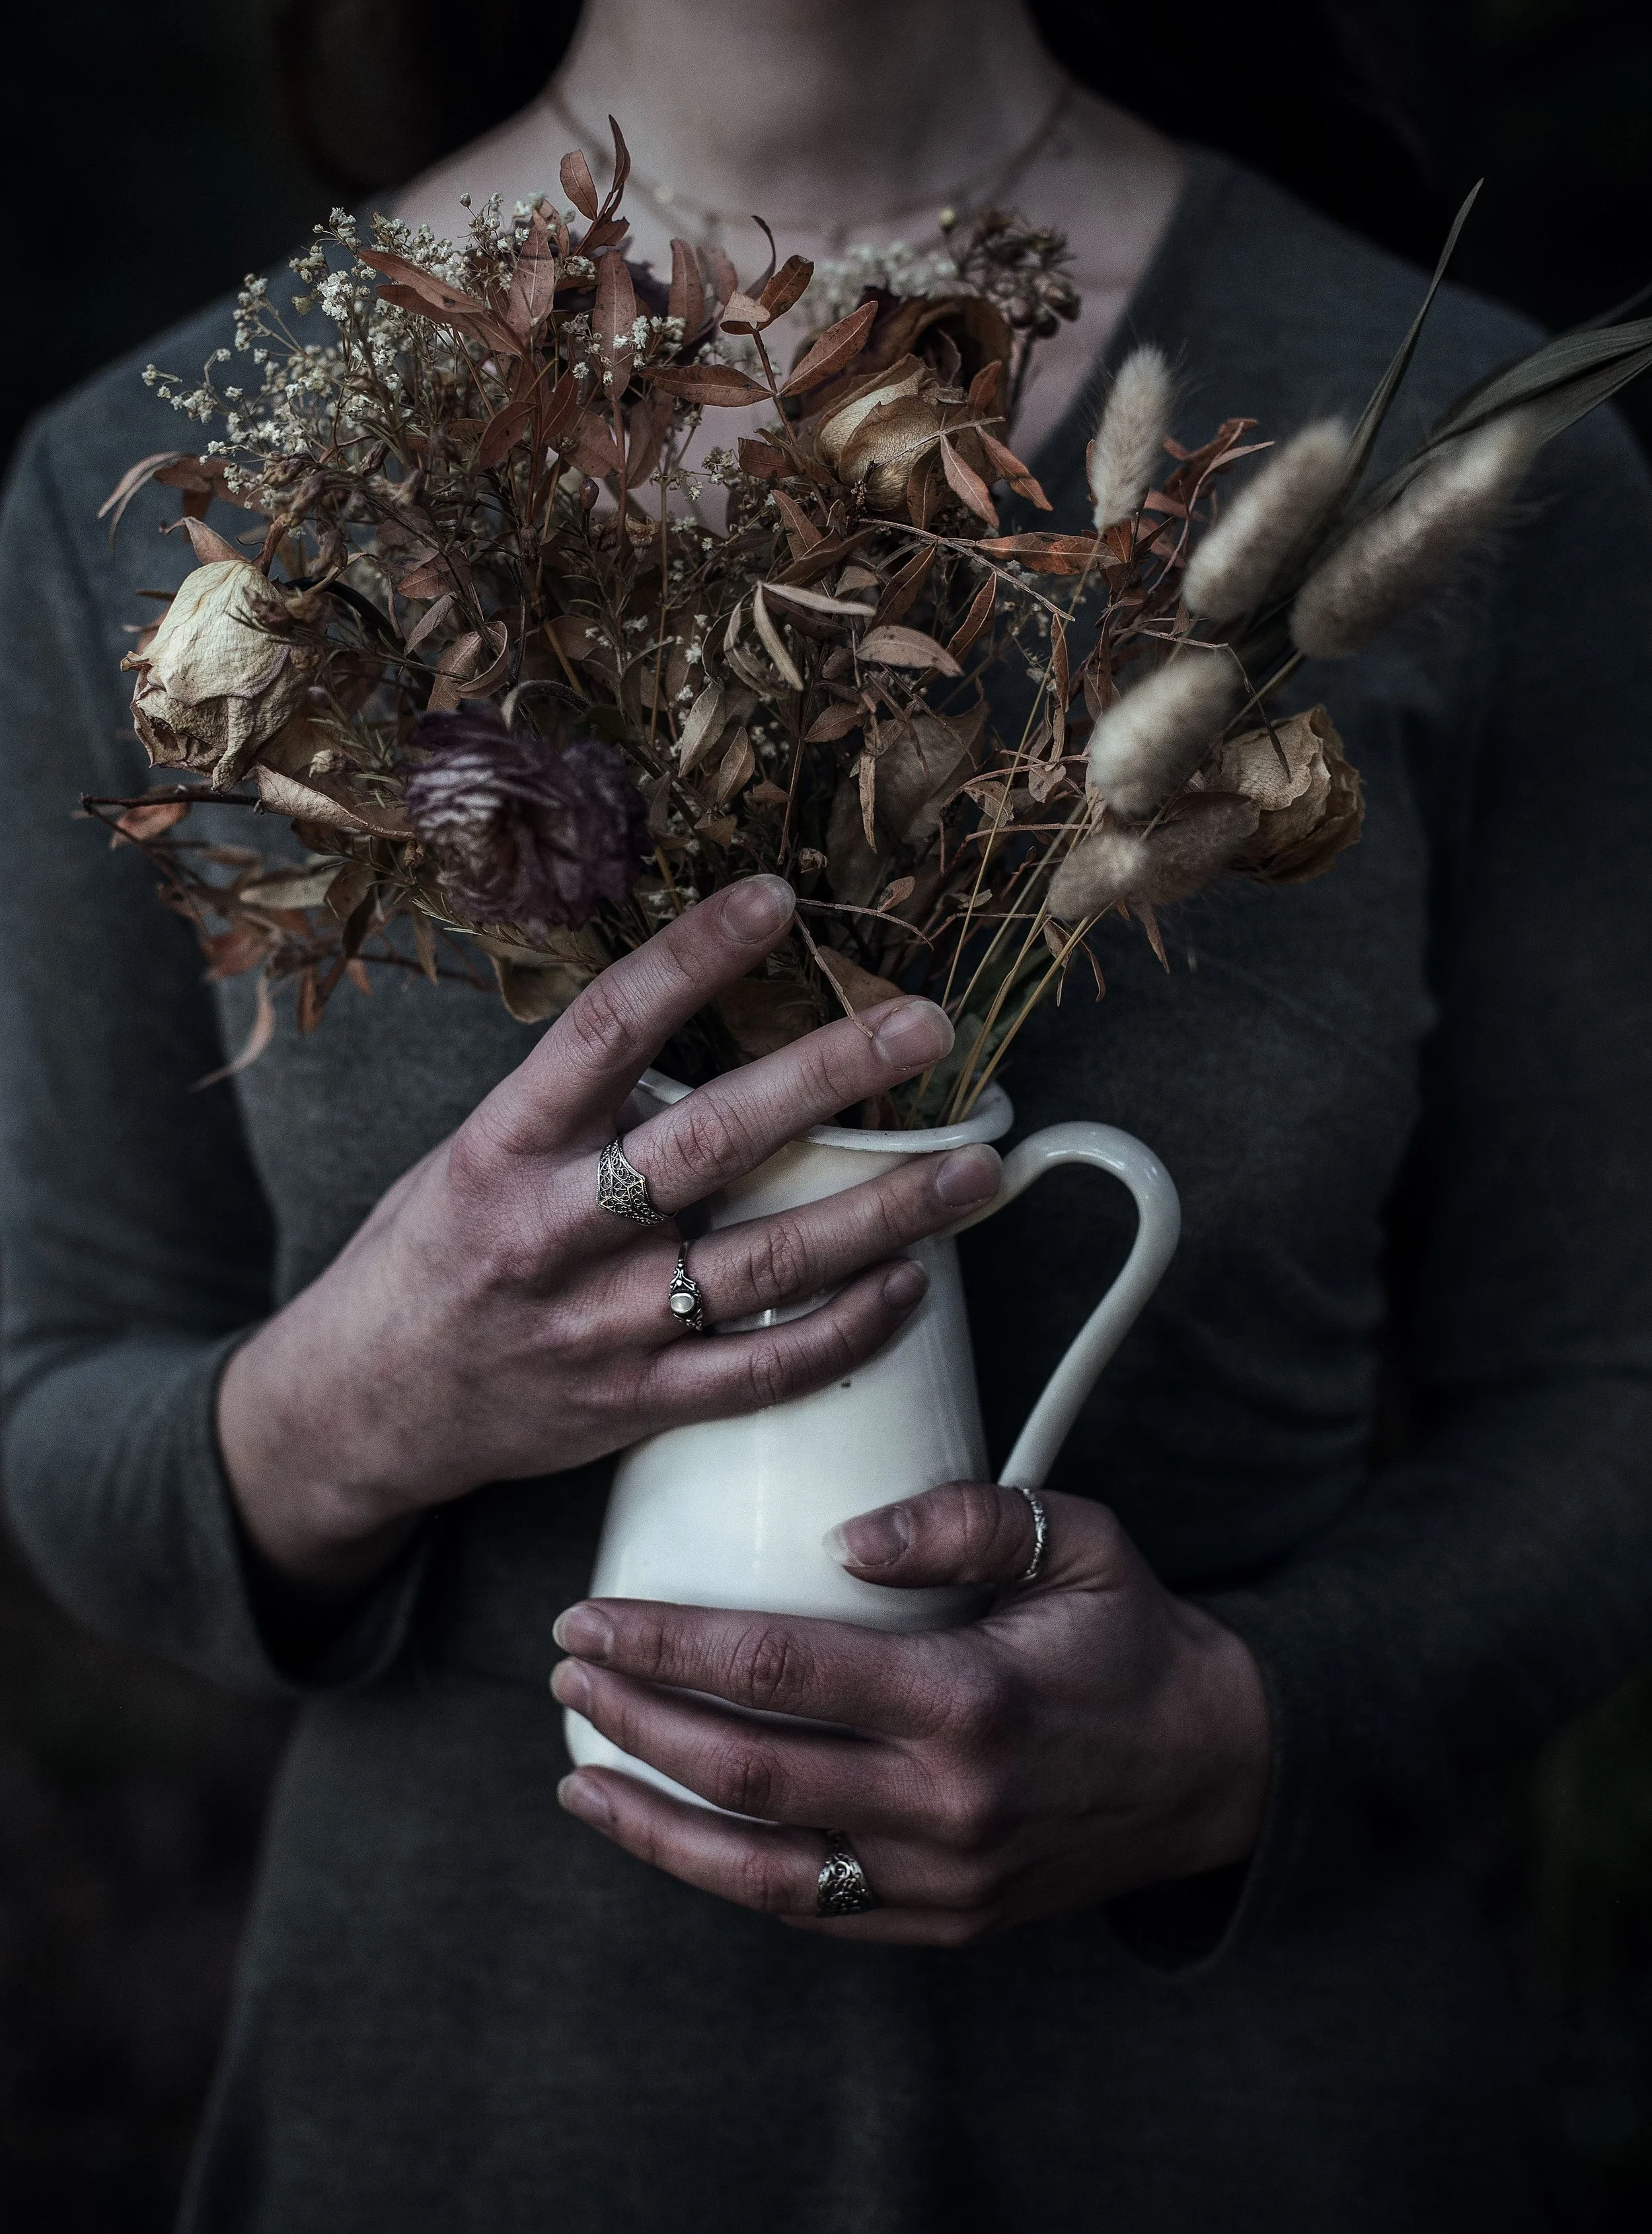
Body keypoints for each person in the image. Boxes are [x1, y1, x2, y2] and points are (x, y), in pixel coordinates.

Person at [3, 2, 1650, 2227]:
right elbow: (61, 1396)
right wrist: (353, 1409)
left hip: (1258, 2140)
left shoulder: (1447, 442)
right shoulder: (156, 494)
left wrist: (1243, 1733)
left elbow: (1603, 1393)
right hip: (466, 2119)